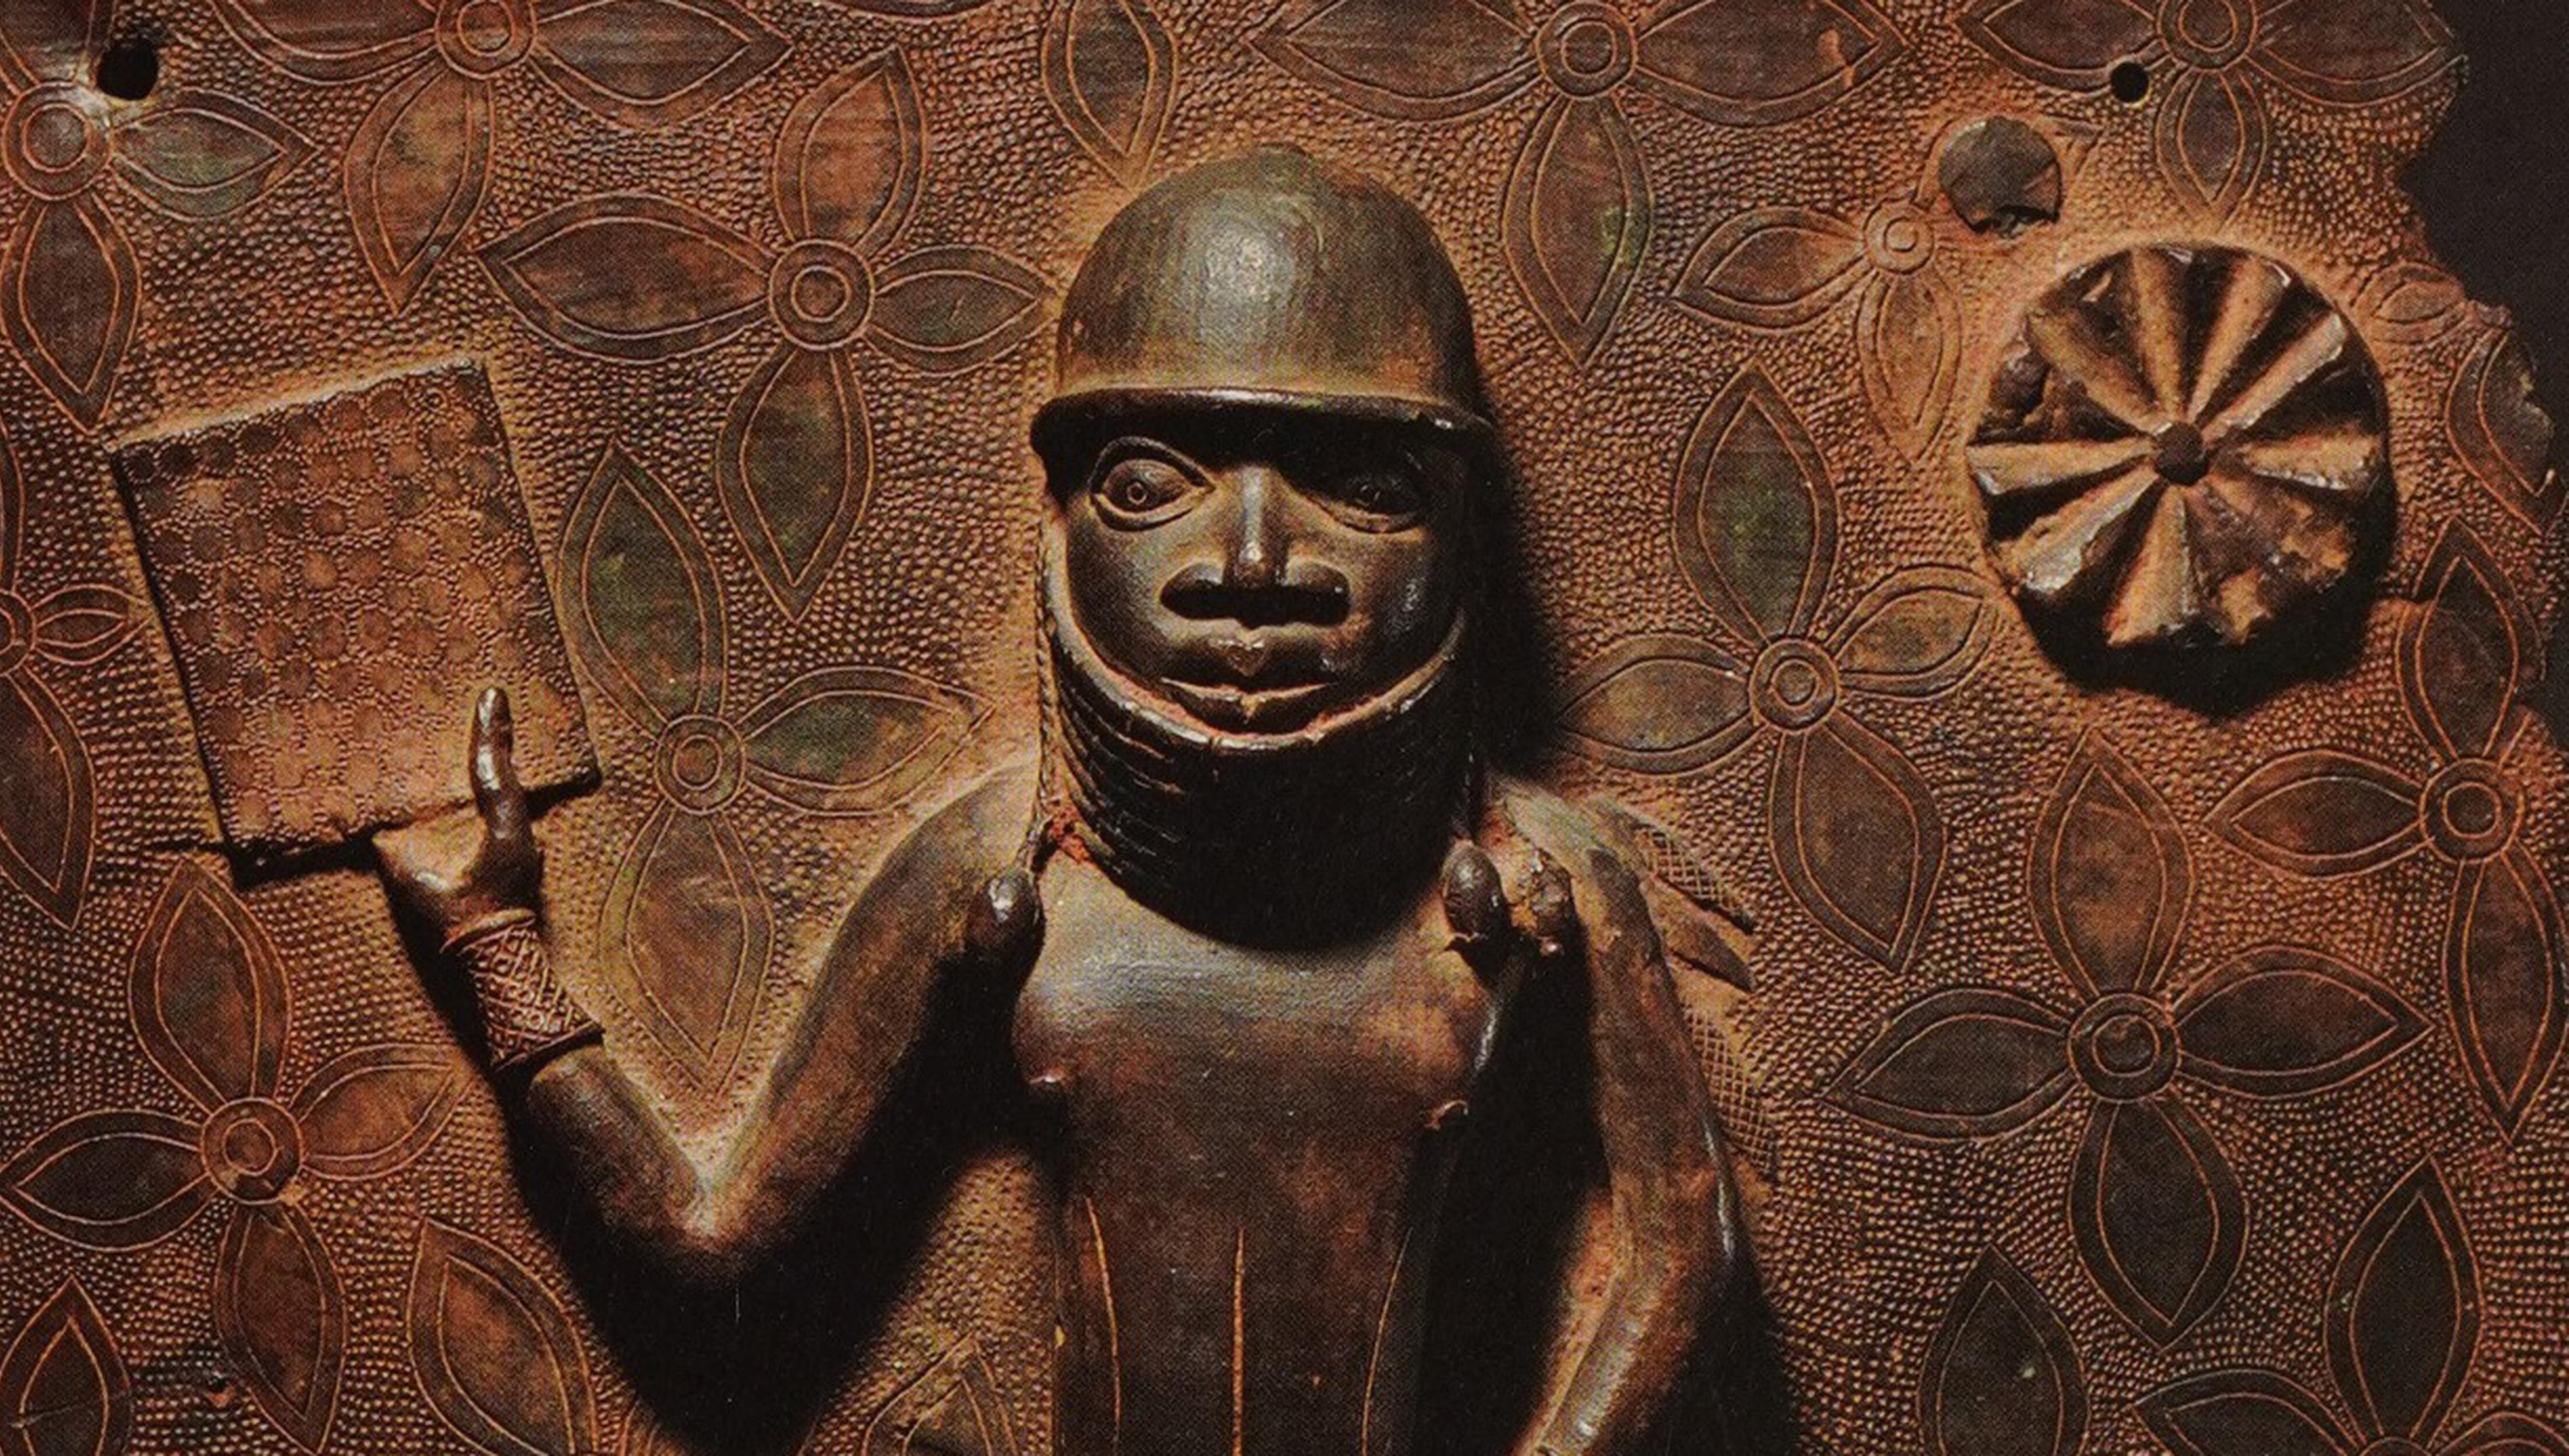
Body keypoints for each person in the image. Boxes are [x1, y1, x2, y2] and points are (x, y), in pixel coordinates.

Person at [376, 147, 1739, 1456]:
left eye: (1361, 491)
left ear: (1464, 531)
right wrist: (492, 944)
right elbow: (713, 1235)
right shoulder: (996, 869)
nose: (1253, 564)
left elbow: (1682, 1252)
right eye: (1152, 487)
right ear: (1059, 520)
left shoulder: (1538, 881)